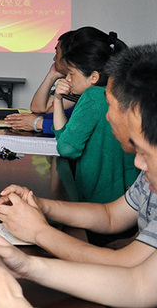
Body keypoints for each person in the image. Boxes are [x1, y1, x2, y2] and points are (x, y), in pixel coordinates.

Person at [0, 45, 157, 308]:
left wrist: (12, 304)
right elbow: (139, 284)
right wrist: (27, 266)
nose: (138, 164)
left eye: (146, 153)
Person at [0, 44, 157, 267]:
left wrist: (38, 232)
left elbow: (131, 273)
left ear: (135, 110)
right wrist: (39, 205)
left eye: (109, 104)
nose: (107, 116)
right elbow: (110, 215)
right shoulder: (156, 165)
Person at [52, 30, 137, 203]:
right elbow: (66, 139)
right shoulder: (120, 92)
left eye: (71, 73)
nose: (67, 79)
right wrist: (58, 99)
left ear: (93, 77)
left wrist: (57, 99)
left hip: (98, 200)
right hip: (128, 196)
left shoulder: (92, 96)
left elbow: (66, 148)